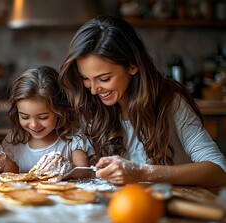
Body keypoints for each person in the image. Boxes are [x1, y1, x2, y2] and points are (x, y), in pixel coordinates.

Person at [58, 15, 226, 188]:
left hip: (167, 206)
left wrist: (143, 172)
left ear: (132, 66)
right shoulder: (90, 104)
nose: (93, 90)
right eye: (85, 78)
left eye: (105, 78)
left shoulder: (169, 101)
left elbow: (219, 171)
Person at [2, 66, 94, 178]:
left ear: (60, 111)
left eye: (43, 117)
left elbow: (85, 173)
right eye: (25, 117)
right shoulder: (14, 143)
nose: (34, 124)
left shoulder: (74, 140)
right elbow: (9, 179)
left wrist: (68, 169)